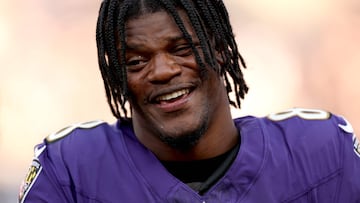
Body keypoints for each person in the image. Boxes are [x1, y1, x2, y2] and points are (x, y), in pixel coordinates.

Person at [19, 0, 360, 202]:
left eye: (182, 50)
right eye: (137, 61)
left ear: (222, 50)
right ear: (118, 77)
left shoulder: (321, 153)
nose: (163, 71)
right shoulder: (71, 170)